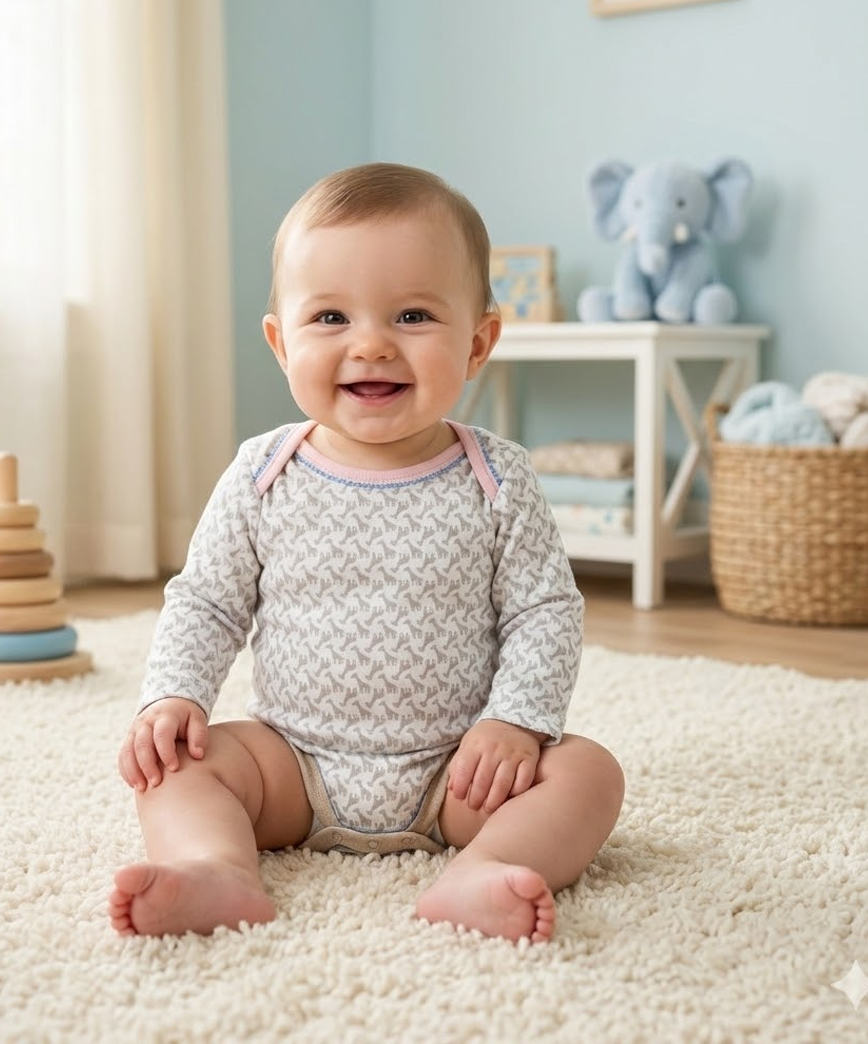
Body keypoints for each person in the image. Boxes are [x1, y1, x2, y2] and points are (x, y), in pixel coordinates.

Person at [108, 162, 624, 944]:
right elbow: (207, 600)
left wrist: (517, 722)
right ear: (281, 343)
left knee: (588, 774)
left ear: (479, 341)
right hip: (290, 764)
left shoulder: (499, 478)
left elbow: (543, 613)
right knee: (175, 766)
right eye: (330, 319)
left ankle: (483, 869)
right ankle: (217, 868)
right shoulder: (262, 472)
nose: (373, 344)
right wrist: (172, 696)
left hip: (460, 771)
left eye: (414, 315)